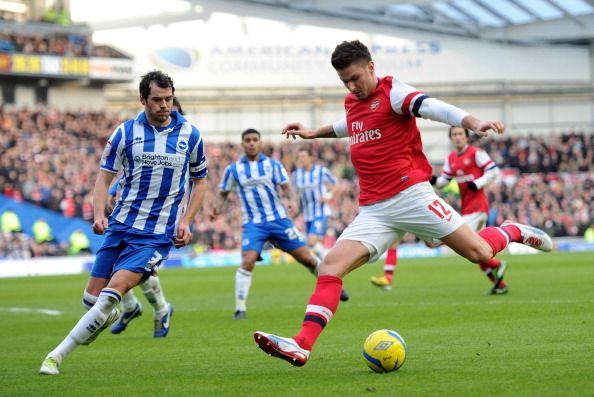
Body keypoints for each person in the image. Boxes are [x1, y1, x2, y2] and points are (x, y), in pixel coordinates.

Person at [253, 40, 553, 367]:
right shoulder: (354, 102)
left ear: (371, 66)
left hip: (412, 196)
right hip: (375, 210)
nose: (352, 87)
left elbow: (432, 106)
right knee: (330, 267)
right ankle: (301, 344)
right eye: (345, 82)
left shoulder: (393, 91)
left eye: (355, 78)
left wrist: (471, 122)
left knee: (478, 253)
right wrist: (314, 133)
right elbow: (347, 127)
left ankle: (512, 231)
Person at [39, 70, 208, 375]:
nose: (164, 105)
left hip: (157, 234)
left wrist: (187, 220)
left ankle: (55, 356)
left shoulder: (190, 135)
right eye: (157, 100)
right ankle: (126, 308)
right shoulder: (124, 134)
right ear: (143, 99)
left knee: (108, 295)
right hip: (120, 226)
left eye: (168, 99)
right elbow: (104, 180)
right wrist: (100, 213)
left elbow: (201, 181)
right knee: (92, 301)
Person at [209, 128, 349, 320]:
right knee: (248, 260)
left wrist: (291, 201)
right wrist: (216, 208)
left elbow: (286, 187)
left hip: (279, 221)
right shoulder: (233, 170)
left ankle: (333, 284)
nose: (251, 143)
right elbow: (223, 193)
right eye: (247, 140)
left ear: (260, 143)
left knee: (307, 258)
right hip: (253, 224)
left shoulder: (273, 165)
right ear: (242, 144)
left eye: (254, 140)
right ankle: (240, 308)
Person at [108, 96, 186, 337]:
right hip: (133, 214)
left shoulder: (186, 140)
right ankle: (133, 306)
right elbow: (140, 170)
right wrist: (114, 189)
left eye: (170, 106)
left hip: (164, 216)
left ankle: (159, 309)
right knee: (115, 265)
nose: (164, 110)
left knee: (140, 269)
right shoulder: (145, 135)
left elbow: (196, 180)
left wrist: (185, 218)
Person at [432, 126, 508, 294]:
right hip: (466, 209)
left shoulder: (476, 153)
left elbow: (493, 171)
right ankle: (500, 285)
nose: (457, 137)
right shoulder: (451, 158)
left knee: (465, 245)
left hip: (479, 207)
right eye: (454, 135)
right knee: (475, 251)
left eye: (460, 134)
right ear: (451, 138)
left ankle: (498, 264)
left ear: (467, 137)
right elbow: (443, 181)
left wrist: (478, 183)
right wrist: (431, 179)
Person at [291, 147, 338, 260]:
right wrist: (295, 206)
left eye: (303, 157)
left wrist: (328, 196)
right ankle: (327, 266)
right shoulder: (296, 175)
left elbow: (336, 185)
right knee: (318, 244)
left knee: (311, 241)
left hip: (320, 211)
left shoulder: (321, 171)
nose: (301, 159)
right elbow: (296, 194)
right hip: (307, 214)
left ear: (311, 158)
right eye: (299, 157)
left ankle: (329, 263)